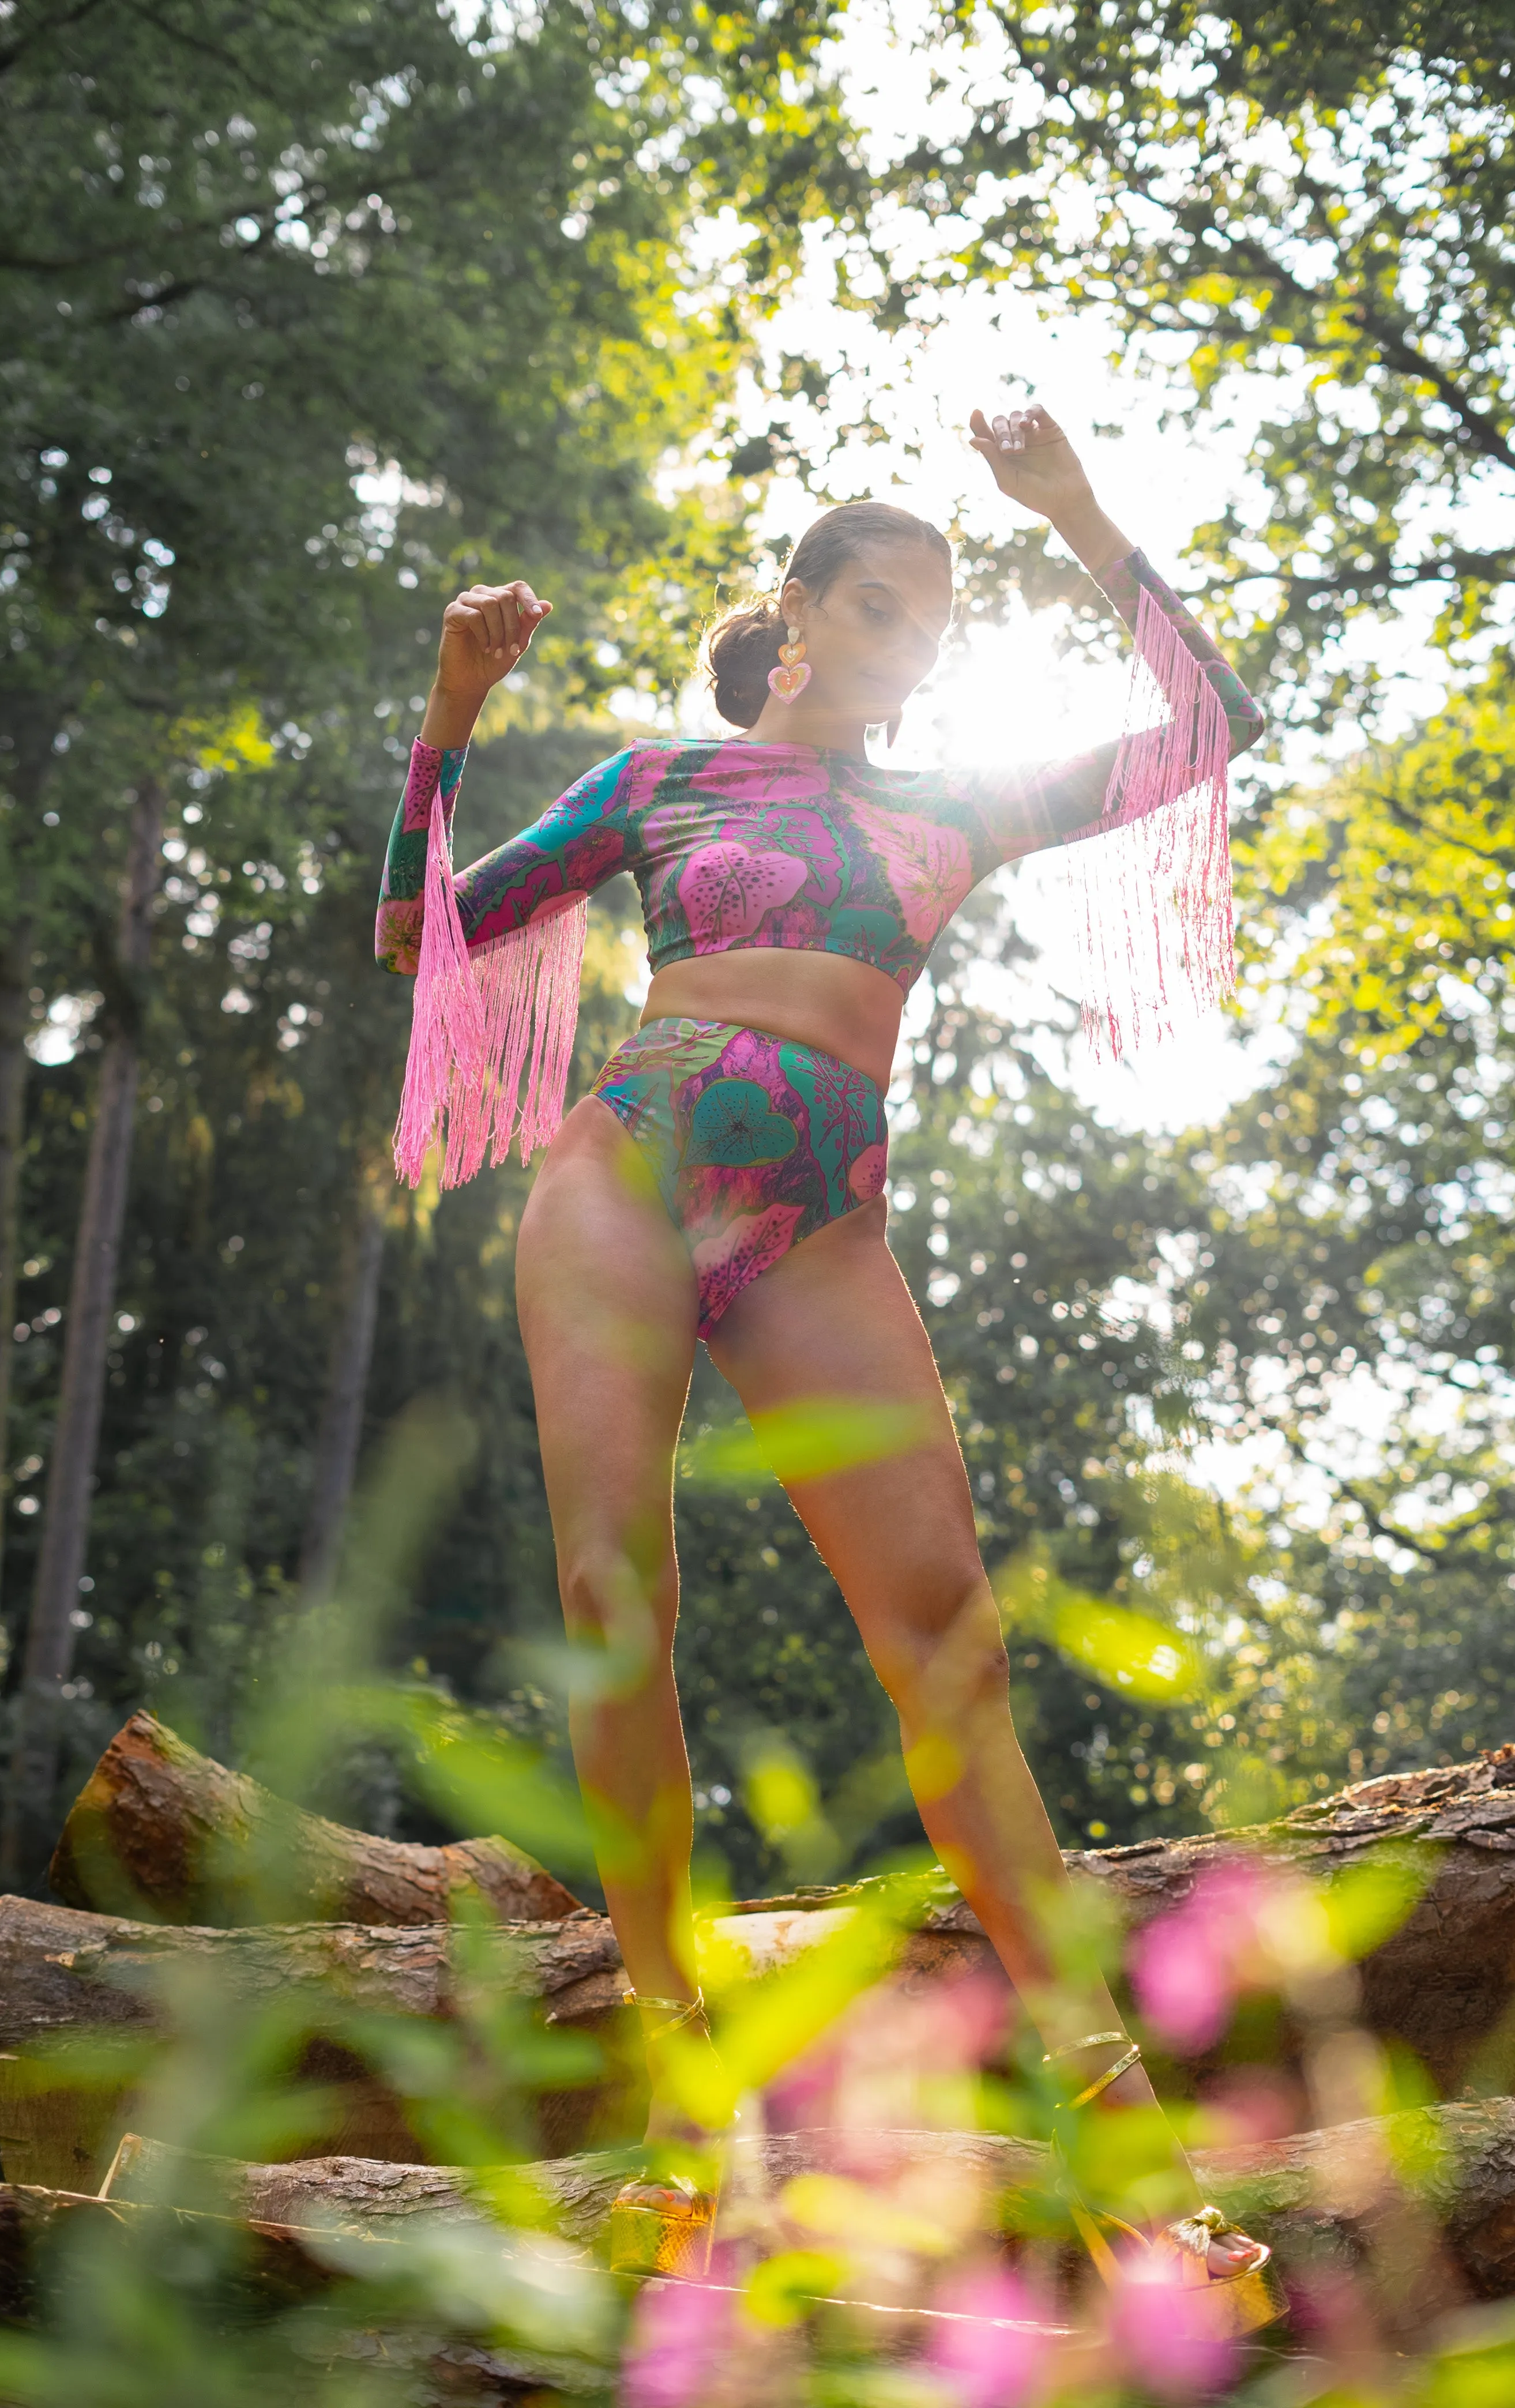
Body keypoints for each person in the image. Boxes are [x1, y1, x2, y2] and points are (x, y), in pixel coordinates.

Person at [376, 402, 1276, 2319]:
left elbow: (1215, 732)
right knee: (618, 1598)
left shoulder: (956, 805)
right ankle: (681, 2107)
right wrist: (451, 712)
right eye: (879, 611)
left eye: (934, 627)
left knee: (944, 1639)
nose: (909, 649)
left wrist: (1080, 515)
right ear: (794, 615)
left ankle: (1126, 2155)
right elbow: (421, 936)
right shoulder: (658, 781)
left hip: (821, 1220)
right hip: (629, 1167)